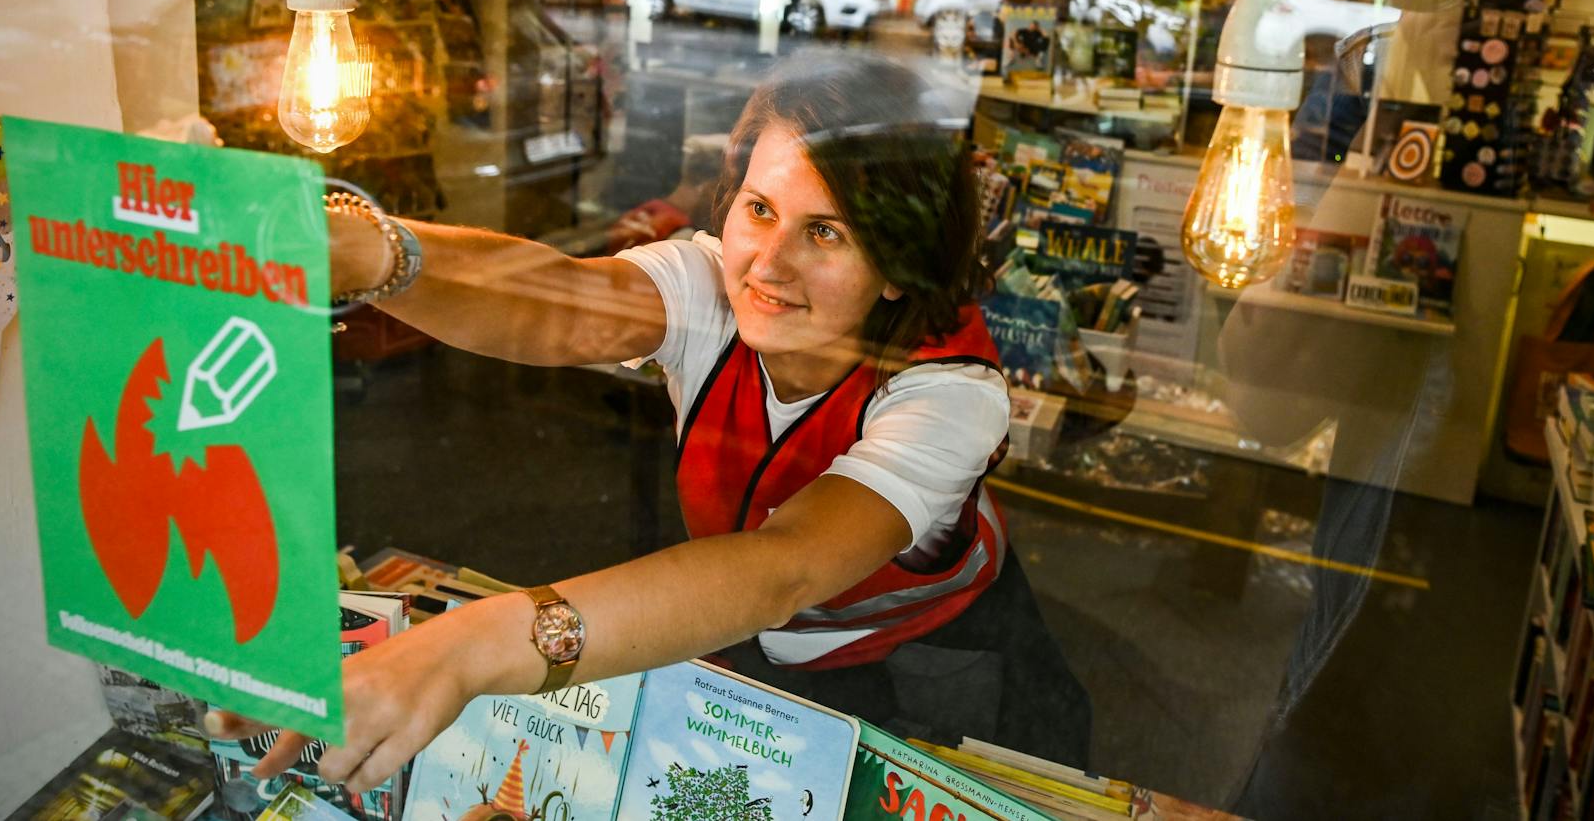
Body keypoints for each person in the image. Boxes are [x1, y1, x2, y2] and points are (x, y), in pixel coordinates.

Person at [216, 54, 1091, 791]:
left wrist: (464, 648)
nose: (771, 263)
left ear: (900, 264)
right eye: (759, 208)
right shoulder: (712, 282)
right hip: (761, 648)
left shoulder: (950, 390)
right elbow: (562, 305)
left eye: (826, 232)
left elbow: (780, 569)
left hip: (933, 668)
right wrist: (376, 250)